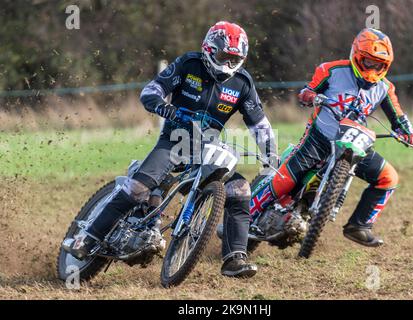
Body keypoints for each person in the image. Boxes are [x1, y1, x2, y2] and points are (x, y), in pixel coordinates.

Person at [63, 21, 278, 278]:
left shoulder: (243, 83)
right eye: (224, 57)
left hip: (207, 148)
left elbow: (261, 126)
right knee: (138, 190)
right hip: (173, 142)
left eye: (235, 59)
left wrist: (271, 156)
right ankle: (87, 238)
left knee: (240, 189)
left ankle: (234, 257)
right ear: (209, 50)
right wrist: (164, 108)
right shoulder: (189, 64)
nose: (229, 65)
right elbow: (151, 91)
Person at [250, 28, 413, 247]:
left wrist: (410, 134)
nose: (373, 68)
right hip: (319, 137)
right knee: (286, 178)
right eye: (369, 62)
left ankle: (360, 226)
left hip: (357, 142)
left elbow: (399, 117)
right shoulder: (331, 70)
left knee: (389, 178)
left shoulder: (385, 87)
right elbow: (307, 90)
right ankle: (244, 216)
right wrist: (309, 95)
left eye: (379, 65)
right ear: (357, 56)